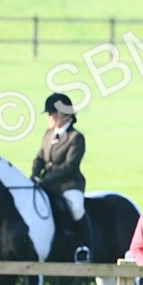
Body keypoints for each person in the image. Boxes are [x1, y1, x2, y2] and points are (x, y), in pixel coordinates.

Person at [31, 93, 91, 263]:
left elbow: (70, 166)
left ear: (61, 114)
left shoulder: (76, 137)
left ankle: (84, 247)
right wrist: (34, 175)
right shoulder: (48, 134)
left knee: (76, 208)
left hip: (69, 185)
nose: (48, 117)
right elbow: (40, 158)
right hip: (47, 185)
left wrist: (46, 179)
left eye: (50, 113)